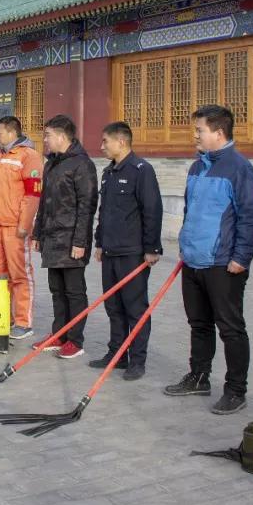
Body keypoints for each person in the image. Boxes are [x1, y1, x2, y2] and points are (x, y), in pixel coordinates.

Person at [165, 104, 253, 415]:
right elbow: (191, 211)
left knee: (231, 328)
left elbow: (249, 217)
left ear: (219, 133)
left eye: (200, 130)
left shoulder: (239, 168)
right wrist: (185, 245)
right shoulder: (197, 167)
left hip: (224, 263)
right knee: (199, 324)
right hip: (193, 261)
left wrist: (241, 258)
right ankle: (199, 376)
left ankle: (235, 390)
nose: (195, 136)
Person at [91, 121, 163, 380]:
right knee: (113, 306)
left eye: (105, 141)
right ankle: (117, 354)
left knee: (135, 308)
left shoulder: (141, 170)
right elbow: (104, 211)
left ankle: (137, 360)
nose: (101, 146)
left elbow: (152, 210)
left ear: (121, 142)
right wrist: (100, 242)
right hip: (110, 251)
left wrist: (152, 248)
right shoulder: (108, 172)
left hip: (132, 253)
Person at [30, 115, 98, 360]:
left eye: (48, 135)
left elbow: (87, 206)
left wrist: (80, 241)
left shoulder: (82, 164)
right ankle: (59, 334)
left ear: (61, 136)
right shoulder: (52, 163)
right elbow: (44, 202)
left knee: (74, 291)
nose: (45, 140)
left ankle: (75, 340)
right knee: (57, 290)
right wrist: (37, 233)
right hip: (52, 237)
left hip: (71, 239)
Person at [0, 115, 43, 340]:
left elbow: (33, 195)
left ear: (11, 132)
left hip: (15, 227)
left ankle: (23, 322)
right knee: (0, 275)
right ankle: (4, 316)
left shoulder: (29, 156)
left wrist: (25, 224)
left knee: (20, 275)